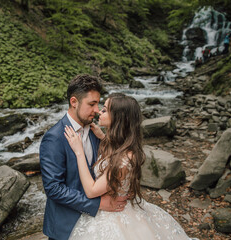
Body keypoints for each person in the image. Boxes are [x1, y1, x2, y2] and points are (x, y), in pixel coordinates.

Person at [64, 93, 194, 239]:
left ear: (118, 118)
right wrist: (103, 137)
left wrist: (79, 152)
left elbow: (92, 191)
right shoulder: (122, 145)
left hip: (115, 216)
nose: (99, 111)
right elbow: (116, 150)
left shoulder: (124, 160)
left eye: (105, 110)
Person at [40, 74, 128, 240]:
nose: (97, 110)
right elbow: (53, 188)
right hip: (65, 227)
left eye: (98, 103)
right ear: (74, 102)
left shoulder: (96, 131)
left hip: (97, 225)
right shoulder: (54, 137)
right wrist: (99, 204)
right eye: (92, 104)